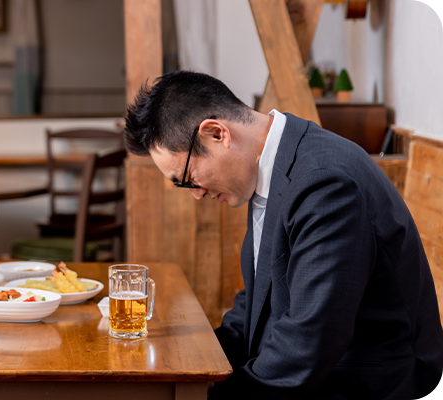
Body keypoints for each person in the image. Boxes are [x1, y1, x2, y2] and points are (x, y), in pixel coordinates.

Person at [124, 71, 443, 399]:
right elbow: (258, 302)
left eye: (187, 178)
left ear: (216, 134)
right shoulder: (273, 163)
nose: (195, 193)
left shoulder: (325, 184)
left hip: (370, 386)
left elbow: (308, 344)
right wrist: (189, 362)